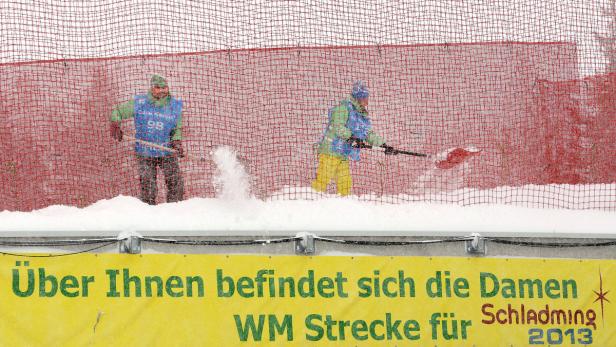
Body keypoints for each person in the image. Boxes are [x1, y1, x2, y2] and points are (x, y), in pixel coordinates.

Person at [109, 74, 185, 205]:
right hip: (145, 152)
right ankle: (148, 214)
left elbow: (177, 128)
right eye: (158, 87)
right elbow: (118, 111)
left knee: (175, 183)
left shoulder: (175, 106)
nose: (161, 90)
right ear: (151, 88)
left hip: (166, 151)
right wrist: (115, 123)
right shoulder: (140, 102)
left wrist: (176, 141)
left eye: (164, 87)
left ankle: (175, 211)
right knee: (148, 186)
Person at [312, 81, 397, 196]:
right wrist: (352, 138)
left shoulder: (361, 115)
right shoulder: (343, 109)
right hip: (330, 151)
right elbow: (337, 126)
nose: (367, 102)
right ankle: (310, 204)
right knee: (322, 181)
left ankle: (345, 207)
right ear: (358, 98)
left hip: (343, 154)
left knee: (345, 185)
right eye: (365, 98)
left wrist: (383, 145)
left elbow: (367, 133)